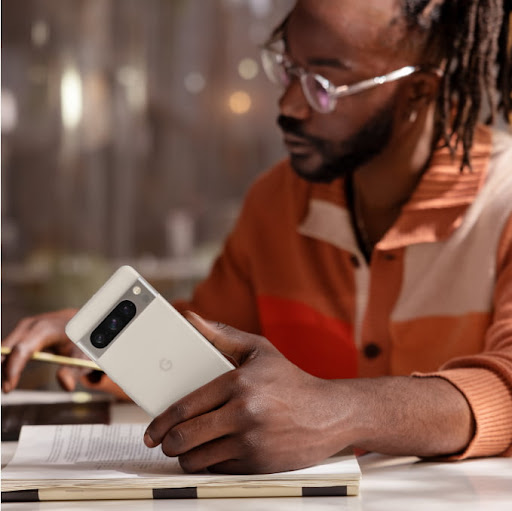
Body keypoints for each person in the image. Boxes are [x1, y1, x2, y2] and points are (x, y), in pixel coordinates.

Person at [2, 0, 512, 474]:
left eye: (323, 86)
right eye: (289, 69)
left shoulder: (505, 200)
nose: (288, 105)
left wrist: (340, 411)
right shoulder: (277, 202)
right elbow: (213, 351)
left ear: (418, 91)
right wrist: (113, 345)